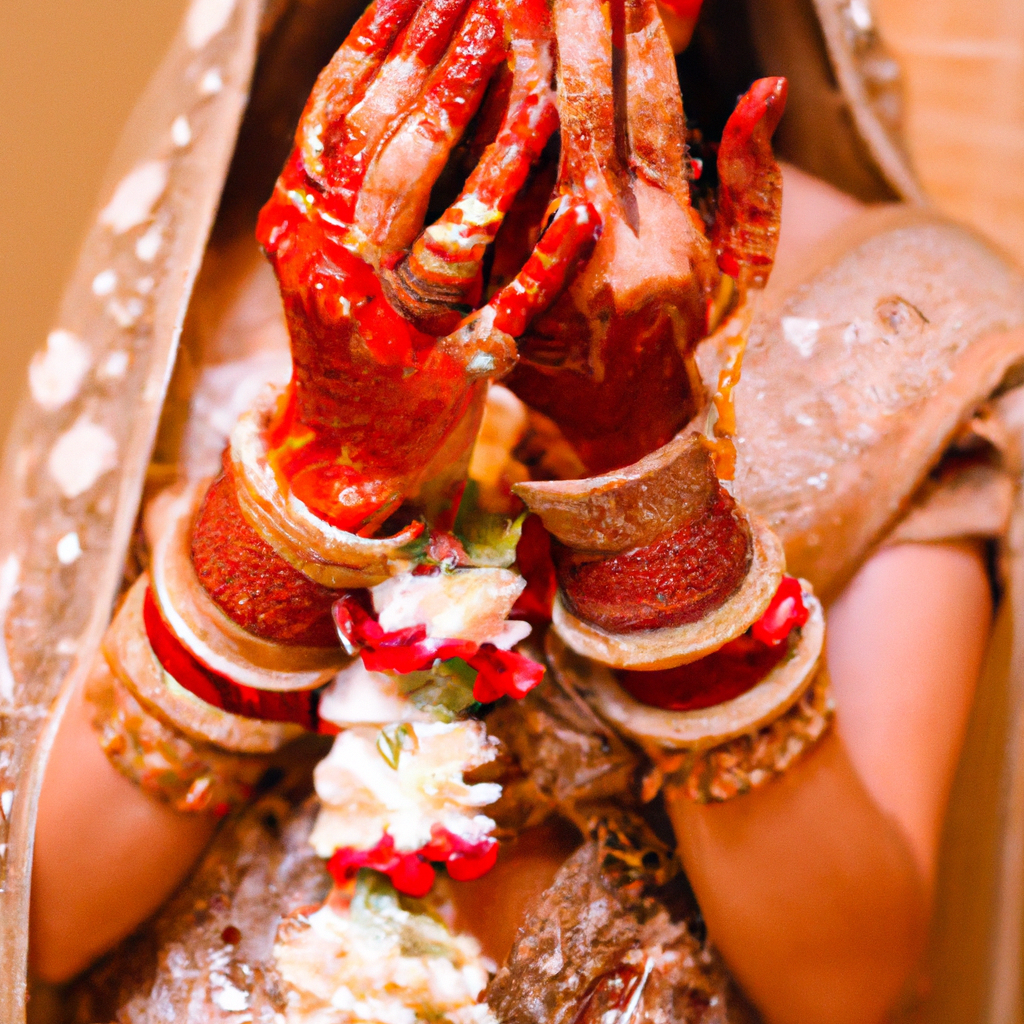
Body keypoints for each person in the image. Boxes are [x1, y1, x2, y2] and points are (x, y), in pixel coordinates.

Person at [21, 0, 1024, 1022]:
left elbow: (842, 985)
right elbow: (46, 912)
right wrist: (324, 471)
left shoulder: (895, 325)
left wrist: (646, 485)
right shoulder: (224, 255)